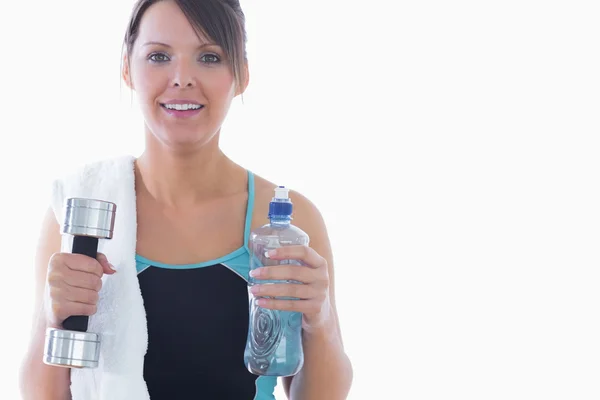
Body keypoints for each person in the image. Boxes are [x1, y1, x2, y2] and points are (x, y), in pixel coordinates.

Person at [18, 0, 353, 399]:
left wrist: (322, 319)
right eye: (159, 56)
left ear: (242, 74)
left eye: (209, 57)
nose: (182, 78)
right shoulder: (81, 213)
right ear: (127, 68)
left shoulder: (285, 222)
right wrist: (50, 317)